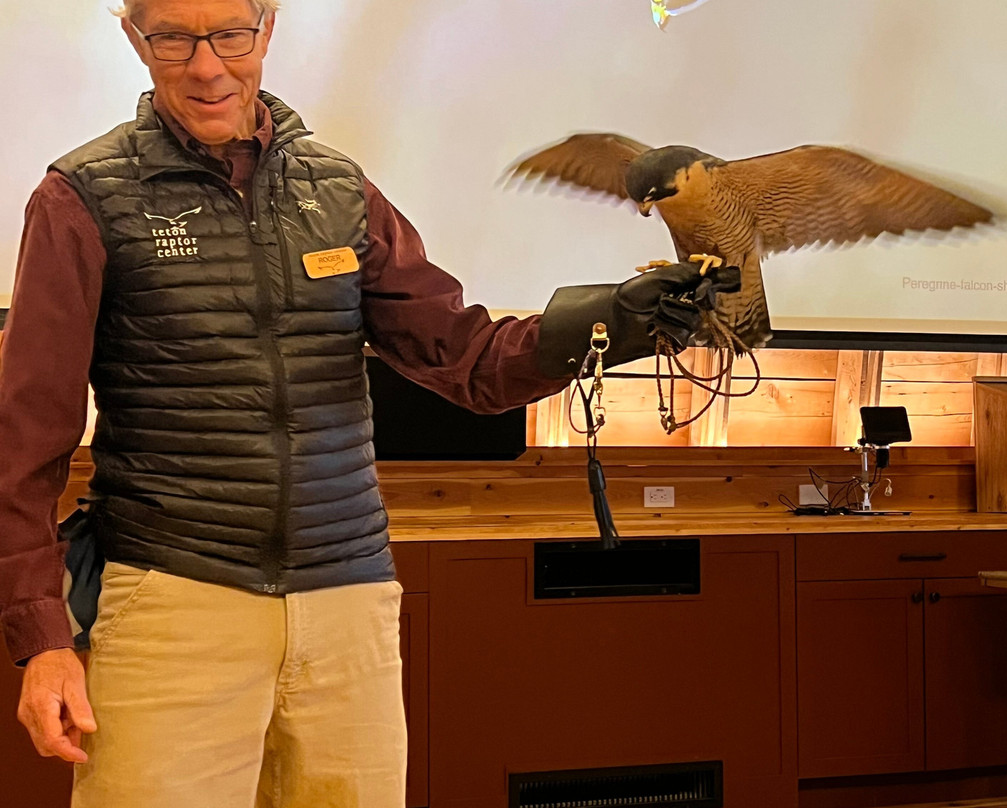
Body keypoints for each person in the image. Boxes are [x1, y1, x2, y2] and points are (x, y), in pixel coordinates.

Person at [0, 1, 729, 805]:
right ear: (135, 39)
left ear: (266, 30)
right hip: (173, 600)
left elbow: (467, 359)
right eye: (173, 38)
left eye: (229, 36)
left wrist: (610, 321)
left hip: (349, 606)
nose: (207, 67)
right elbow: (24, 443)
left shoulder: (340, 191)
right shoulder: (81, 198)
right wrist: (44, 642)